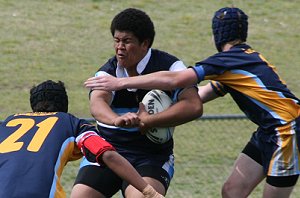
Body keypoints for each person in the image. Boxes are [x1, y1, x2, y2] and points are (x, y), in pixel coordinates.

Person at [84, 7, 300, 198]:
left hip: (286, 130)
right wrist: (165, 113)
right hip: (268, 131)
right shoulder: (243, 61)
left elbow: (176, 79)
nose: (119, 46)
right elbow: (200, 96)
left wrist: (121, 84)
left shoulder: (228, 60)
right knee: (232, 191)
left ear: (218, 33)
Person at [72, 7, 202, 198]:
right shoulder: (108, 71)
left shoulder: (171, 67)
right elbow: (97, 105)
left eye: (126, 41)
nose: (119, 47)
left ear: (145, 43)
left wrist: (149, 121)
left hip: (151, 156)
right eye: (116, 41)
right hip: (109, 150)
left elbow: (193, 106)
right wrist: (117, 120)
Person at [0, 80, 164, 198]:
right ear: (65, 106)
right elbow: (108, 155)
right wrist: (149, 192)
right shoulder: (72, 123)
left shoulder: (6, 124)